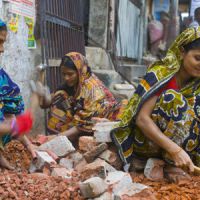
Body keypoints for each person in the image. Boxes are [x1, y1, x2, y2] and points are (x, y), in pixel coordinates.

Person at [111, 27, 200, 173]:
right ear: (182, 52)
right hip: (148, 142)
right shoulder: (161, 74)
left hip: (182, 148)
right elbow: (141, 119)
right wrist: (175, 150)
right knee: (172, 99)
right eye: (198, 58)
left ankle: (185, 161)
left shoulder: (196, 83)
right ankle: (171, 164)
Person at [39, 52, 126, 140]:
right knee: (60, 96)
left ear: (80, 71)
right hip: (83, 122)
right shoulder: (74, 84)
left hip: (99, 124)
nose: (66, 78)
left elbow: (82, 125)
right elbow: (47, 103)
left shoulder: (91, 89)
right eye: (64, 74)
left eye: (70, 74)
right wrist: (43, 96)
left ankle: (70, 139)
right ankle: (66, 138)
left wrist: (56, 138)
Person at [0, 19, 33, 169]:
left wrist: (29, 145)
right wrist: (18, 125)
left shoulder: (2, 78)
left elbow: (9, 113)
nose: (2, 49)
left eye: (3, 43)